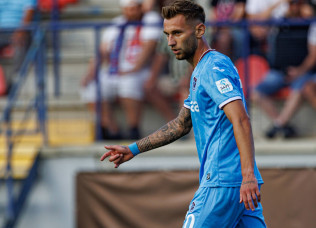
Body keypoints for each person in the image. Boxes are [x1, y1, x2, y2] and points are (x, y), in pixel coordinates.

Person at [101, 1, 266, 227]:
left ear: (199, 30)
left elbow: (240, 119)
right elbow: (181, 124)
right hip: (235, 183)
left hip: (222, 182)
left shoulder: (213, 67)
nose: (170, 42)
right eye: (167, 34)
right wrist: (133, 149)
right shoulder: (200, 71)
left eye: (177, 33)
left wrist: (247, 176)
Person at [81, 0, 162, 140]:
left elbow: (149, 47)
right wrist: (91, 72)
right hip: (115, 70)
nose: (130, 12)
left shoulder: (150, 19)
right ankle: (112, 129)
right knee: (91, 87)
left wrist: (133, 69)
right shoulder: (118, 22)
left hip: (140, 70)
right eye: (127, 9)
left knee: (128, 83)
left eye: (133, 9)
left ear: (140, 7)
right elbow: (103, 50)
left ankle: (134, 128)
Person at [250, 0, 316, 138]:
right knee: (256, 93)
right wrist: (279, 4)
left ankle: (278, 125)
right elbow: (259, 25)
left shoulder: (310, 24)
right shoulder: (279, 21)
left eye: (298, 3)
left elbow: (313, 55)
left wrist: (299, 71)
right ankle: (282, 125)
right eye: (292, 3)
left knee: (300, 89)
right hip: (279, 72)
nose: (294, 6)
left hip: (302, 72)